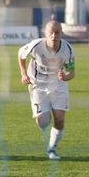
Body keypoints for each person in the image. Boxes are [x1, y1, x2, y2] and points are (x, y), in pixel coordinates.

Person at [17, 20, 75, 160]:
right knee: (43, 122)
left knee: (60, 119)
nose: (54, 36)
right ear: (45, 34)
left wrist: (65, 76)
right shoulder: (36, 45)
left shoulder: (68, 49)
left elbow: (72, 73)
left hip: (58, 85)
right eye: (51, 33)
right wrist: (23, 73)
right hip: (38, 85)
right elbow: (20, 55)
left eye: (57, 32)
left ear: (61, 33)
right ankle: (44, 112)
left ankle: (52, 149)